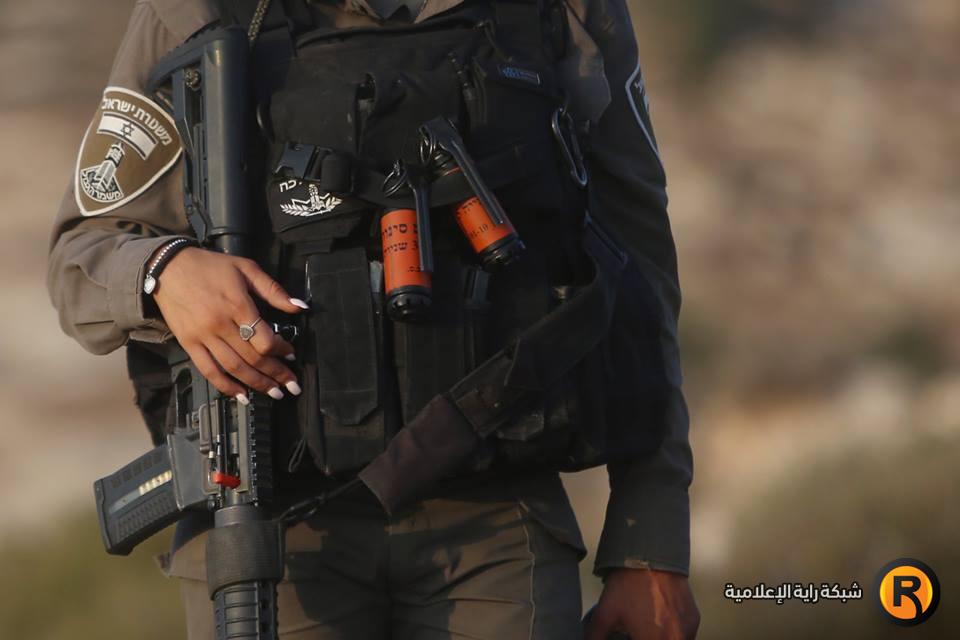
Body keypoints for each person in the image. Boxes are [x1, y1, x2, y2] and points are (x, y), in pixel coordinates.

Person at [47, 0, 699, 638]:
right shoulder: (195, 10)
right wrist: (165, 272)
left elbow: (636, 264)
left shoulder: (562, 10)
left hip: (499, 522)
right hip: (270, 532)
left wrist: (651, 541)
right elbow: (81, 256)